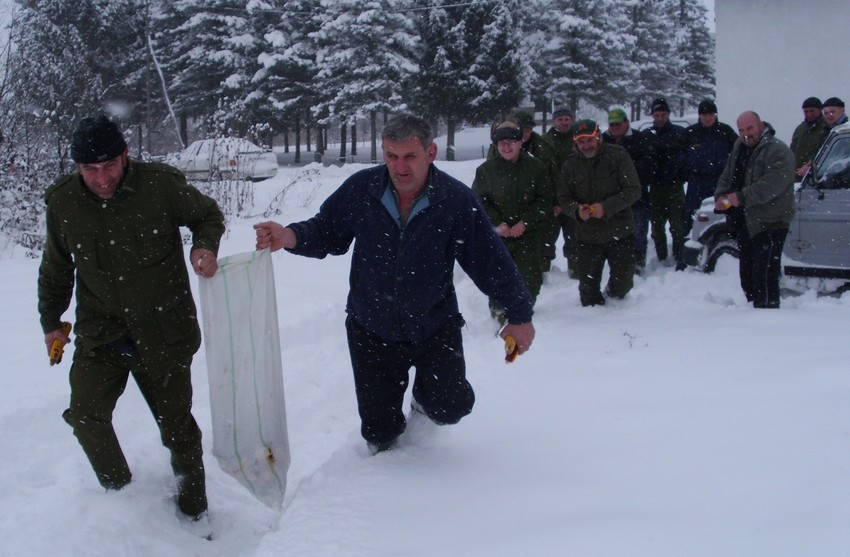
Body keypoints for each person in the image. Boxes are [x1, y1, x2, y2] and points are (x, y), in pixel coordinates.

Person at [253, 114, 535, 455]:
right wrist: (290, 236)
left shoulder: (454, 200)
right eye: (391, 156)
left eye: (409, 156)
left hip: (434, 326)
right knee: (379, 434)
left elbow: (488, 260)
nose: (400, 167)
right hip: (372, 329)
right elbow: (327, 230)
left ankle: (422, 401)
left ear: (430, 153)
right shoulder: (363, 189)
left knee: (451, 406)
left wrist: (519, 314)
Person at [37, 115, 225, 520]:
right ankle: (122, 499)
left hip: (164, 329)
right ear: (77, 167)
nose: (102, 179)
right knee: (86, 416)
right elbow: (56, 266)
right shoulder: (64, 203)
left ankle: (195, 515)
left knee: (178, 431)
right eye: (90, 170)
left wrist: (203, 247)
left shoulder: (159, 186)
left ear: (125, 156)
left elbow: (207, 215)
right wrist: (51, 319)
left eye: (109, 166)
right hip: (102, 331)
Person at [713, 111, 795, 309]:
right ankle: (754, 312)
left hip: (771, 222)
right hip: (746, 221)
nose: (745, 134)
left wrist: (740, 197)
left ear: (760, 125)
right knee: (748, 276)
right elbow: (728, 174)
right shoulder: (739, 146)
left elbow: (772, 185)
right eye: (741, 130)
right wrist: (720, 196)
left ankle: (766, 317)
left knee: (765, 277)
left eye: (750, 128)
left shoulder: (778, 150)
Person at [472, 119, 551, 319]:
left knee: (531, 279)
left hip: (528, 235)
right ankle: (499, 316)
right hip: (499, 236)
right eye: (501, 143)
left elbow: (544, 200)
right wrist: (498, 223)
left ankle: (523, 313)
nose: (506, 147)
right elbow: (478, 202)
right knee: (498, 277)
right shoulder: (485, 171)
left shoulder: (536, 168)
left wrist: (525, 222)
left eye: (511, 142)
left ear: (520, 142)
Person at [558, 119, 641, 306]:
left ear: (598, 137)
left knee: (623, 284)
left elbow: (633, 190)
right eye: (581, 142)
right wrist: (577, 211)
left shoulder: (618, 155)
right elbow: (563, 198)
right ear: (575, 143)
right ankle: (593, 329)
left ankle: (614, 310)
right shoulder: (570, 165)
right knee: (588, 293)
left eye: (589, 140)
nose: (586, 145)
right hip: (588, 236)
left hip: (620, 232)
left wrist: (606, 207)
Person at [602, 108, 657, 274]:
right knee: (614, 234)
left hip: (637, 197)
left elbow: (650, 165)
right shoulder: (603, 140)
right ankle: (618, 266)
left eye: (618, 124)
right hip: (611, 198)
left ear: (626, 122)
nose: (615, 127)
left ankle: (638, 264)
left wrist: (626, 175)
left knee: (638, 233)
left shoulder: (641, 139)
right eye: (612, 124)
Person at [643, 97, 688, 270]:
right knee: (656, 225)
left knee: (677, 224)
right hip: (655, 187)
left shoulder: (679, 133)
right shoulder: (647, 135)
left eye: (663, 114)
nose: (660, 118)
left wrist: (679, 172)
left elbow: (686, 157)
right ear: (653, 115)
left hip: (675, 186)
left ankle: (678, 255)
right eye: (657, 115)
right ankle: (661, 257)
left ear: (668, 114)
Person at [681, 100, 737, 235]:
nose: (707, 118)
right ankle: (691, 247)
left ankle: (723, 241)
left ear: (716, 115)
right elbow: (680, 157)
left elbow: (739, 154)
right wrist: (687, 174)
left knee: (723, 214)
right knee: (693, 216)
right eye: (704, 115)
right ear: (699, 116)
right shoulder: (690, 133)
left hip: (721, 184)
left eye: (710, 114)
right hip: (696, 184)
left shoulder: (726, 131)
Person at [544, 106, 578, 276]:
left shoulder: (580, 138)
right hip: (553, 201)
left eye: (567, 119)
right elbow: (544, 174)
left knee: (574, 238)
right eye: (560, 119)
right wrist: (554, 201)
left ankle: (576, 272)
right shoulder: (545, 142)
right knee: (547, 239)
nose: (564, 123)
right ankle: (544, 273)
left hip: (575, 198)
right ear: (554, 121)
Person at [789, 96, 827, 181]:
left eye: (812, 111)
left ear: (820, 110)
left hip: (818, 178)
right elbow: (792, 150)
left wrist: (810, 167)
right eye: (806, 111)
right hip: (797, 178)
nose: (809, 114)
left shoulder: (827, 128)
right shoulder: (800, 129)